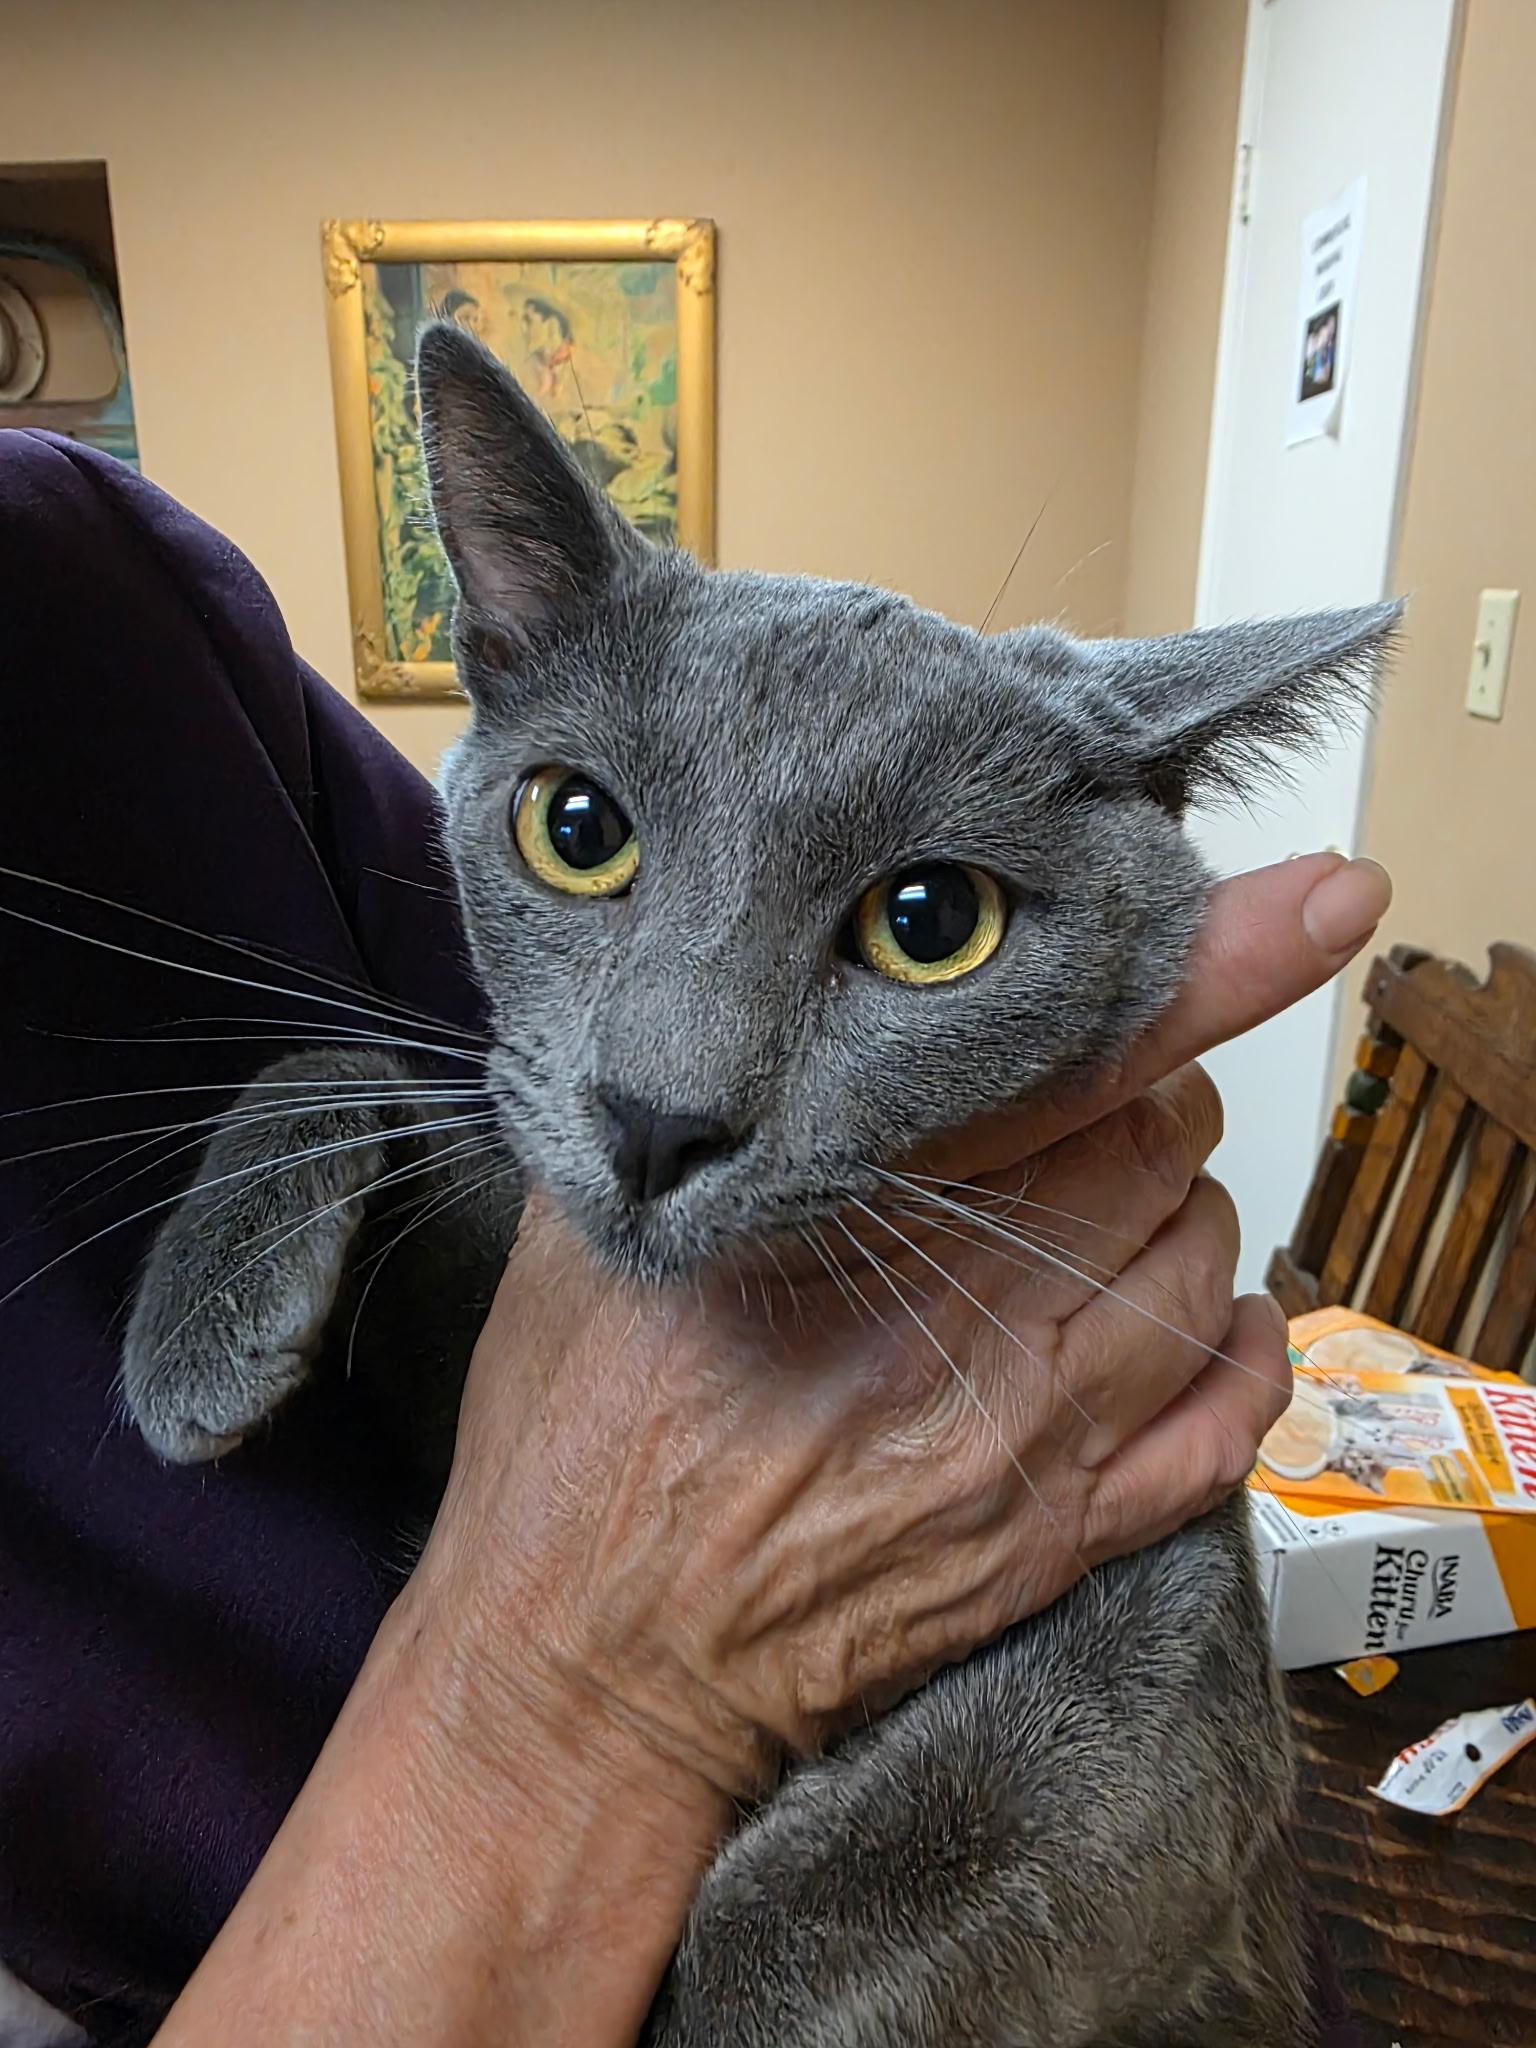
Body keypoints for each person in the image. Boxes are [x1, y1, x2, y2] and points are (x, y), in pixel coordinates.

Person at [0, 430, 1389, 2047]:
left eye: (924, 924)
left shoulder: (95, 578)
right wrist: (323, 1112)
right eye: (581, 833)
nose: (666, 1085)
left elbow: (1153, 1808)